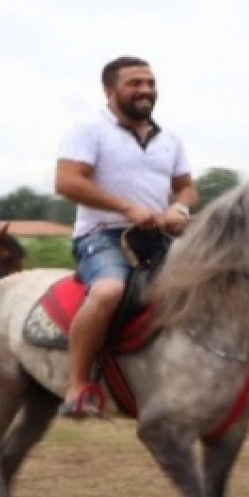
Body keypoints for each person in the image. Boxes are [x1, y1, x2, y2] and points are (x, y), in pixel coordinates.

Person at [54, 55, 198, 419]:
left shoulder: (170, 139)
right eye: (134, 83)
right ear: (109, 91)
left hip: (160, 238)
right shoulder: (88, 130)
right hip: (102, 236)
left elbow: (184, 188)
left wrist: (179, 211)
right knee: (108, 291)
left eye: (149, 83)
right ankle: (77, 386)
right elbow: (67, 182)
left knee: (213, 281)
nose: (145, 90)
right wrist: (126, 208)